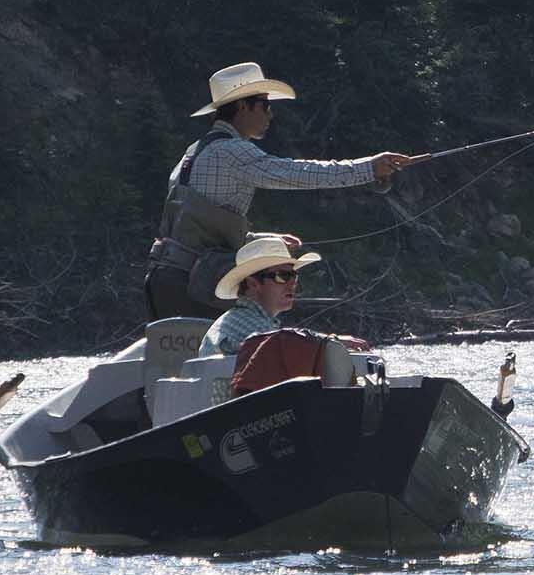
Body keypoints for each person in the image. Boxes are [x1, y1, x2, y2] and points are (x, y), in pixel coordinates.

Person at [144, 61, 420, 320]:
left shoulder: (193, 152)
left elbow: (198, 229)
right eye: (264, 105)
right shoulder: (231, 151)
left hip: (163, 280)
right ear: (242, 106)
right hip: (193, 286)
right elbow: (298, 174)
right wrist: (369, 168)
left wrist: (261, 240)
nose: (270, 113)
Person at [198, 235, 316, 356]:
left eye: (294, 277)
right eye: (282, 276)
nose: (292, 284)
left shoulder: (241, 320)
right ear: (253, 283)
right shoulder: (257, 329)